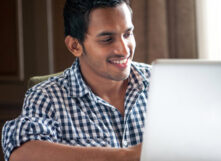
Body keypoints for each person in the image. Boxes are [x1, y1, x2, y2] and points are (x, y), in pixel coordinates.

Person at [1, 0, 151, 161]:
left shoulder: (160, 81)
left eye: (127, 34)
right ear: (75, 46)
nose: (124, 49)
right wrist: (127, 155)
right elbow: (22, 153)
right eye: (107, 40)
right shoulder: (47, 96)